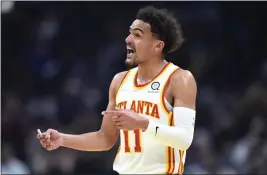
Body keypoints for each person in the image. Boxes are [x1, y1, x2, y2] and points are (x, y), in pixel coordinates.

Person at [37, 6, 197, 174]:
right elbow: (105, 138)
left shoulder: (179, 79)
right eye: (130, 33)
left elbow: (184, 139)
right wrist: (62, 139)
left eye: (137, 35)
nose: (128, 39)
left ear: (157, 46)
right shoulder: (119, 81)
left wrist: (143, 124)